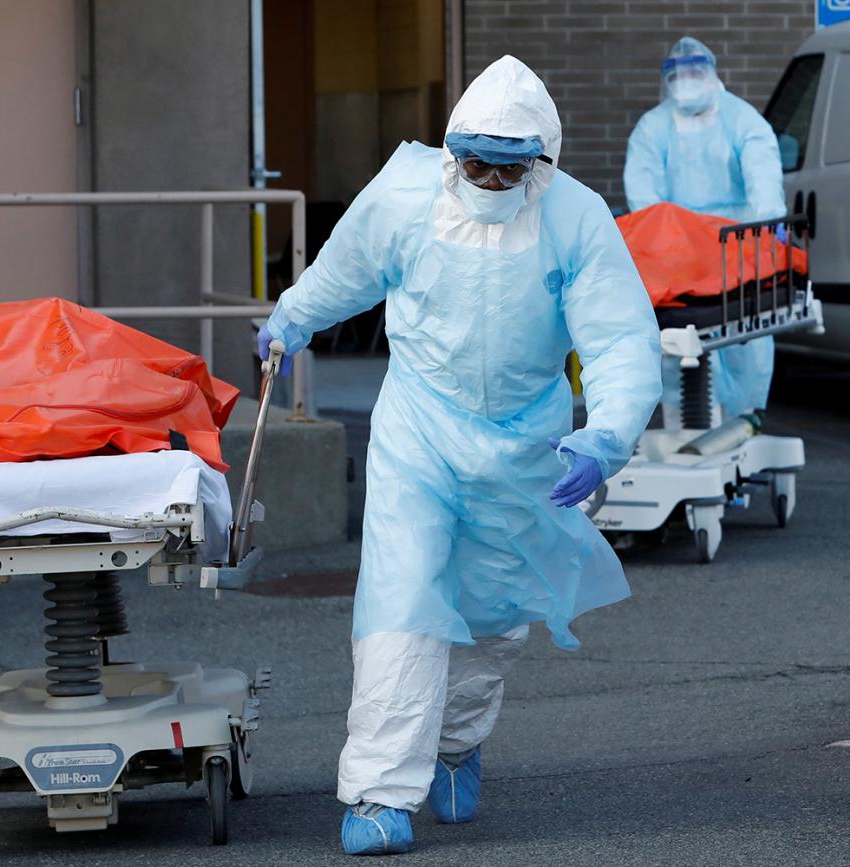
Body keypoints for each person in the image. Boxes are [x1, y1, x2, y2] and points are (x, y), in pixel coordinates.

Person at [257, 56, 661, 856]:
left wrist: (603, 436)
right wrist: (291, 317)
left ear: (539, 162)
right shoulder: (407, 193)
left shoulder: (576, 219)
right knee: (401, 604)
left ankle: (455, 743)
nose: (485, 178)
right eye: (473, 159)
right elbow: (345, 269)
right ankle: (380, 792)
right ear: (450, 150)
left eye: (505, 166)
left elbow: (620, 338)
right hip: (420, 429)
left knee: (491, 622)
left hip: (524, 443)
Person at [624, 36, 786, 422]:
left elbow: (763, 180)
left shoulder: (743, 121)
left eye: (695, 72)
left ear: (712, 74)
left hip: (736, 251)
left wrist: (770, 225)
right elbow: (644, 197)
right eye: (679, 75)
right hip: (678, 256)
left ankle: (746, 417)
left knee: (744, 345)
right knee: (676, 349)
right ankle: (683, 421)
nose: (687, 80)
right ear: (668, 80)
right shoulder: (653, 128)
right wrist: (667, 241)